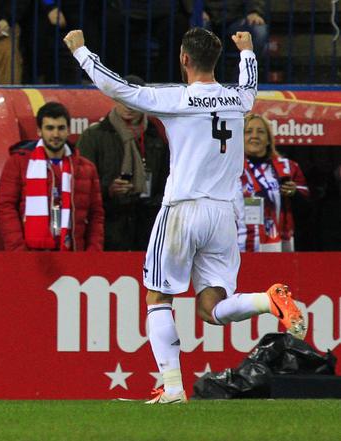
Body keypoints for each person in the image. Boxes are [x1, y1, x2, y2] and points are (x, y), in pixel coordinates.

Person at [64, 27, 306, 404]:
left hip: (183, 209)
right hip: (223, 215)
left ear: (184, 59)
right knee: (212, 309)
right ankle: (268, 300)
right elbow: (251, 84)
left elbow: (118, 89)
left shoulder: (177, 99)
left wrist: (82, 52)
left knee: (158, 297)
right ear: (215, 59)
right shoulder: (238, 99)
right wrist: (247, 52)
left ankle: (173, 387)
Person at [0, 101, 104, 252]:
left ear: (68, 130)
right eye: (50, 128)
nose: (55, 134)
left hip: (73, 254)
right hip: (31, 254)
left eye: (61, 128)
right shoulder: (18, 162)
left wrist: (93, 252)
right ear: (39, 131)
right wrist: (18, 250)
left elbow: (96, 215)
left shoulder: (86, 168)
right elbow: (5, 207)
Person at [78, 74, 169, 251]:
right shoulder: (94, 137)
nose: (128, 105)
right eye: (123, 98)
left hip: (147, 231)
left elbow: (167, 184)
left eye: (133, 99)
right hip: (109, 230)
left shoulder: (157, 137)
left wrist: (151, 202)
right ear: (114, 98)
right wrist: (109, 189)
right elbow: (82, 187)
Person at [238, 113, 309, 252]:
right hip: (240, 246)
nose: (254, 136)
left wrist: (295, 194)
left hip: (279, 245)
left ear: (269, 140)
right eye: (248, 132)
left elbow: (308, 208)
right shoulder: (231, 169)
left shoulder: (288, 167)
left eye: (261, 131)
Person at [202, 0, 268, 57]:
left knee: (259, 31)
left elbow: (255, 2)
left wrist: (254, 12)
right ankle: (204, 67)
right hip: (209, 18)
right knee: (201, 24)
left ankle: (245, 67)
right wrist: (200, 10)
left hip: (237, 19)